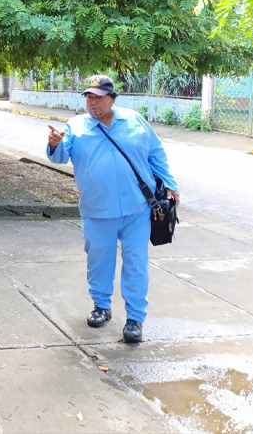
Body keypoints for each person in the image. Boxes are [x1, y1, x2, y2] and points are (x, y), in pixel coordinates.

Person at [46, 74, 179, 343]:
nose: (93, 103)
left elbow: (155, 153)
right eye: (88, 98)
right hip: (97, 210)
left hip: (137, 209)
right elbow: (60, 157)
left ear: (112, 98)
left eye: (98, 97)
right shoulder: (76, 126)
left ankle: (135, 318)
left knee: (136, 263)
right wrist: (54, 145)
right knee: (99, 260)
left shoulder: (134, 121)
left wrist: (170, 183)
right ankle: (101, 306)